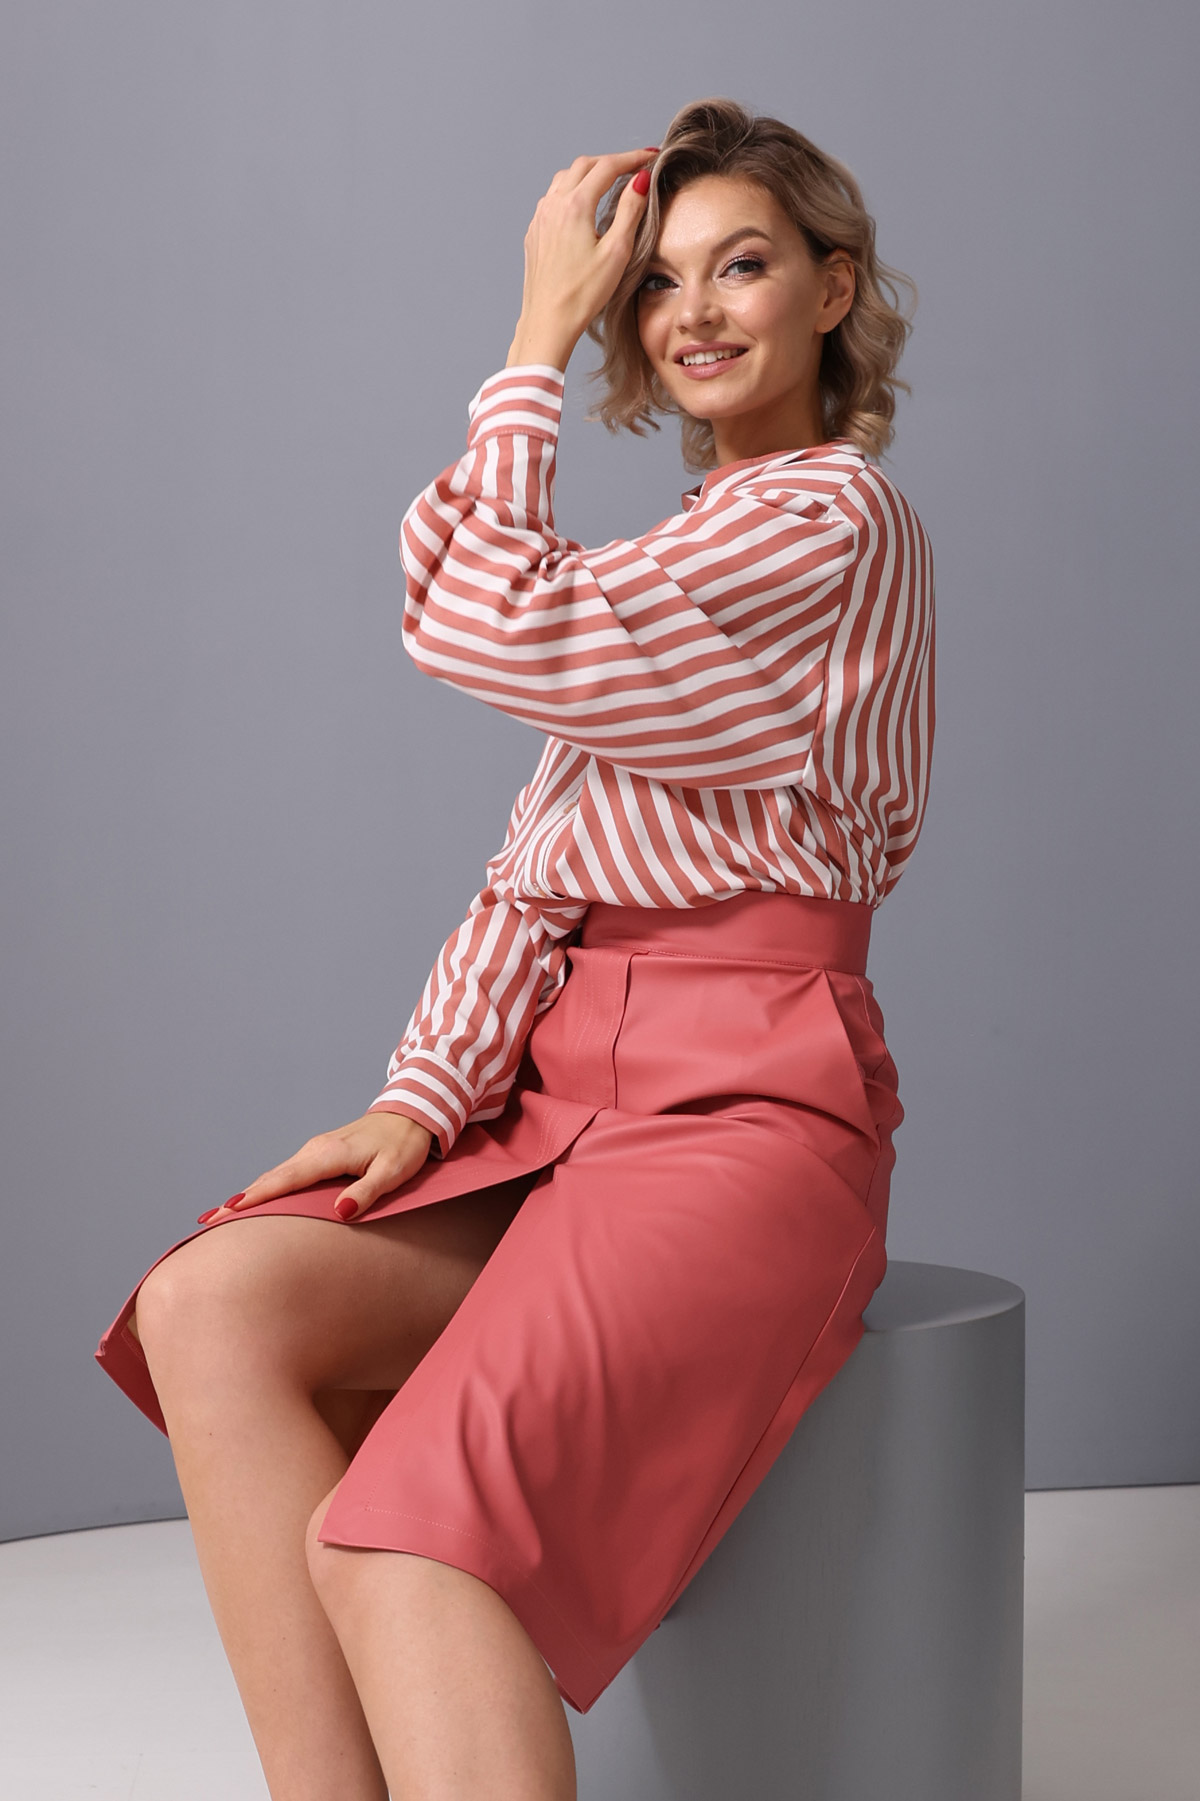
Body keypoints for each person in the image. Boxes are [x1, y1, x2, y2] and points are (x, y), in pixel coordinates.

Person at [95, 95, 935, 1801]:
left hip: (742, 1117)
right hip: (559, 1110)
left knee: (408, 1537)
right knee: (210, 1305)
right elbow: (535, 875)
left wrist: (537, 333)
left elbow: (472, 612)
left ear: (833, 290)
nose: (692, 312)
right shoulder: (671, 562)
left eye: (742, 265)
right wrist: (422, 1097)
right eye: (657, 282)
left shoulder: (830, 527)